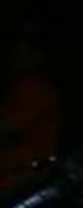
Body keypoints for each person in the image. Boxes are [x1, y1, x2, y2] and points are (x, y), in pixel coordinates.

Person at [0, 33, 63, 183]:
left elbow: (12, 125)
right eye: (15, 51)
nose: (14, 57)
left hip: (22, 177)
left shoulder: (35, 87)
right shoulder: (17, 87)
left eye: (22, 52)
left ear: (37, 57)